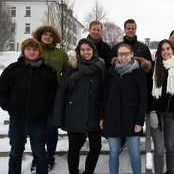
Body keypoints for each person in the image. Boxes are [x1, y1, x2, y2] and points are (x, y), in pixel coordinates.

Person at [0, 38, 58, 174]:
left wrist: (44, 106)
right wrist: (9, 107)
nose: (32, 52)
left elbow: (53, 93)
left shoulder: (48, 71)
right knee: (15, 154)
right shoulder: (12, 70)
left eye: (35, 49)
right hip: (17, 120)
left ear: (39, 51)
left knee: (39, 153)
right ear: (23, 50)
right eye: (29, 49)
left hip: (38, 121)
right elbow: (2, 92)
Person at [52, 38, 105, 174]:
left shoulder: (100, 67)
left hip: (94, 113)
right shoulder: (72, 66)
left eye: (88, 49)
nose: (86, 52)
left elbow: (105, 90)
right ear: (78, 51)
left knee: (96, 147)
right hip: (74, 113)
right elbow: (62, 91)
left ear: (93, 50)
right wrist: (58, 115)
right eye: (82, 49)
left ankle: (88, 172)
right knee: (74, 148)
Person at [100, 43, 150, 174]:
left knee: (134, 154)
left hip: (132, 119)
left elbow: (143, 99)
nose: (123, 57)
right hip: (112, 118)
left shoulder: (139, 73)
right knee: (113, 153)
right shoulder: (111, 72)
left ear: (132, 54)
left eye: (126, 54)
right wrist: (101, 117)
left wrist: (140, 121)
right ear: (117, 56)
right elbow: (104, 97)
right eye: (120, 54)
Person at [32, 24, 69, 170]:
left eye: (51, 35)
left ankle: (50, 156)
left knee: (51, 128)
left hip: (54, 97)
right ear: (40, 35)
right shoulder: (32, 50)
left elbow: (67, 74)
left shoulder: (61, 54)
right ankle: (37, 156)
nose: (48, 37)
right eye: (45, 34)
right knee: (36, 129)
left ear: (54, 38)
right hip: (35, 97)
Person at [111, 19, 152, 150]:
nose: (130, 30)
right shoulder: (116, 47)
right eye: (128, 28)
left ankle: (133, 140)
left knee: (133, 116)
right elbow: (111, 69)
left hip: (136, 90)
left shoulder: (143, 47)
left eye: (132, 28)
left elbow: (149, 70)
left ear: (135, 29)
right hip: (119, 90)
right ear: (124, 29)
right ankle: (121, 140)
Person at [150, 39, 174, 174]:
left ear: (172, 50)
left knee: (170, 145)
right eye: (162, 49)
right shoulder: (153, 67)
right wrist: (151, 111)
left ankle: (170, 172)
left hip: (172, 113)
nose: (166, 52)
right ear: (159, 52)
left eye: (168, 49)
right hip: (156, 114)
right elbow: (148, 92)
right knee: (159, 148)